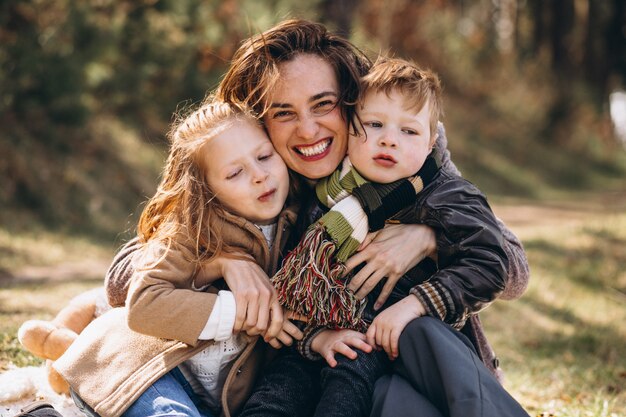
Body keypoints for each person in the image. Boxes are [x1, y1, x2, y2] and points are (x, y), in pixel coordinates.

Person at [102, 19, 529, 416]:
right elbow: (124, 280)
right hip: (306, 365)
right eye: (283, 113)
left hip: (408, 361)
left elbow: (511, 265)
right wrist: (222, 260)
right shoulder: (256, 172)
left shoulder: (407, 159)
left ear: (352, 102)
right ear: (259, 121)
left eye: (322, 104)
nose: (307, 131)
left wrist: (427, 237)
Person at [258, 56, 528, 417]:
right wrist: (315, 338)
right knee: (275, 394)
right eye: (374, 124)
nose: (389, 140)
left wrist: (420, 284)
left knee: (346, 389)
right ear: (353, 126)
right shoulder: (325, 198)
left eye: (409, 131)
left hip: (401, 347)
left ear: (431, 141)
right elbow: (298, 288)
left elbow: (493, 263)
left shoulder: (444, 192)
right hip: (327, 339)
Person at [53, 99, 303, 417]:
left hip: (216, 399)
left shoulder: (298, 222)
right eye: (235, 172)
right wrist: (241, 312)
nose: (259, 175)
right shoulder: (189, 229)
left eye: (265, 156)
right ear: (205, 189)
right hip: (143, 372)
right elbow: (145, 303)